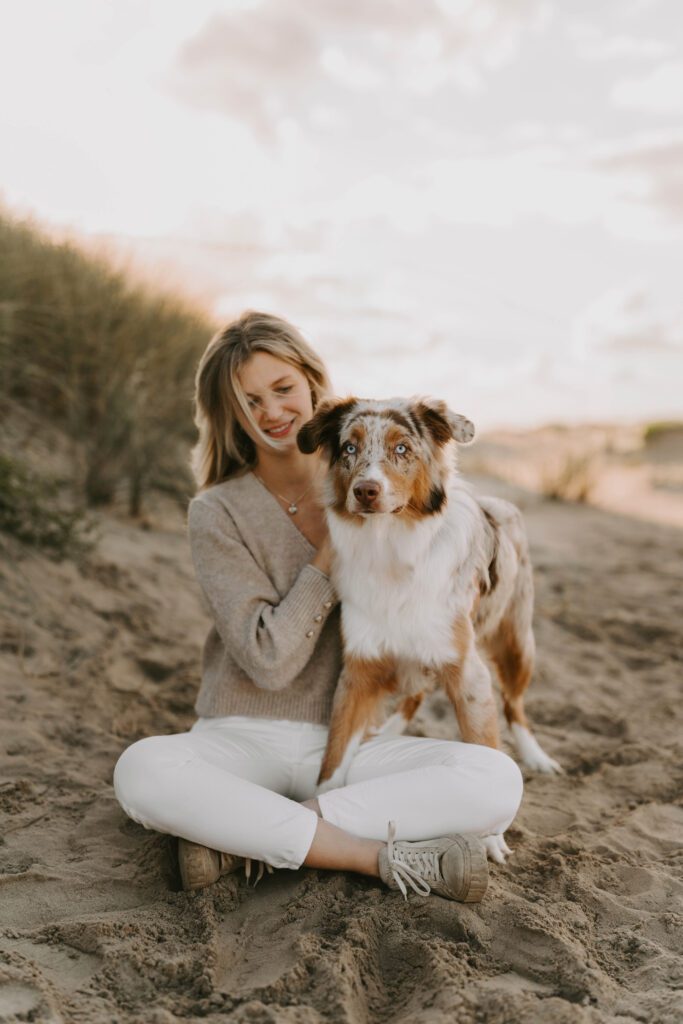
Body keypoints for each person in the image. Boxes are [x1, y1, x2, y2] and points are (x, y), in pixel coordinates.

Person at [113, 311, 523, 901]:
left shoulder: (387, 493)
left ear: (311, 383)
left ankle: (239, 839)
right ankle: (365, 854)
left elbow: (445, 506)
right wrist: (331, 553)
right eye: (250, 401)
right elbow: (267, 661)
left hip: (351, 747)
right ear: (230, 414)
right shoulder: (218, 512)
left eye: (283, 390)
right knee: (142, 770)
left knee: (495, 781)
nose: (273, 412)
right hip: (242, 737)